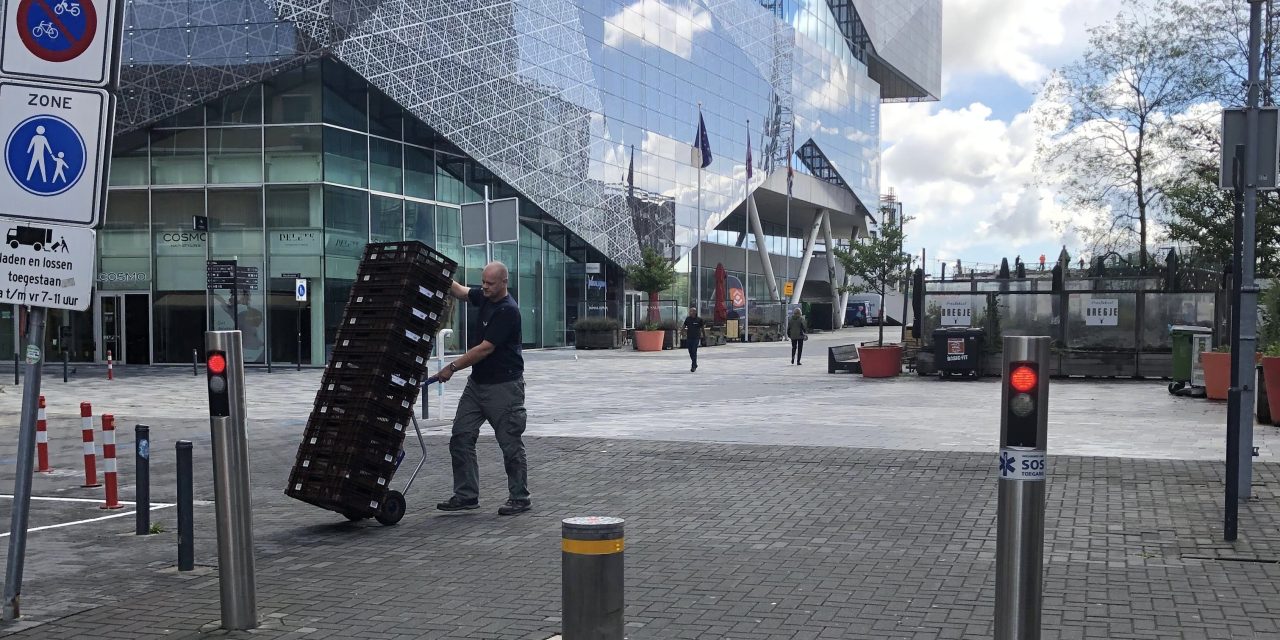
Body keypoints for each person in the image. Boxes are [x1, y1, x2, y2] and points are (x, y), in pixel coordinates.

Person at [435, 261, 530, 516]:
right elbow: (462, 292)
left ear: (503, 283)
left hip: (504, 387)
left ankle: (520, 497)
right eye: (483, 282)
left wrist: (451, 367)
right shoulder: (486, 297)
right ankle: (466, 495)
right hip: (478, 385)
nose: (484, 287)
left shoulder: (508, 311)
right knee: (461, 436)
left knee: (510, 443)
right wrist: (440, 274)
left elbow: (484, 349)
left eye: (489, 284)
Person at [681, 306, 705, 372]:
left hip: (696, 337)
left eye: (692, 311)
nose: (690, 312)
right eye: (690, 311)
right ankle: (695, 363)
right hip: (689, 337)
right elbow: (684, 326)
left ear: (695, 312)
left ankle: (693, 366)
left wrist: (704, 337)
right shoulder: (688, 319)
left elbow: (702, 329)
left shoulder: (699, 319)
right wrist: (682, 332)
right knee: (690, 351)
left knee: (694, 351)